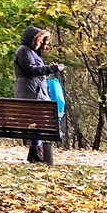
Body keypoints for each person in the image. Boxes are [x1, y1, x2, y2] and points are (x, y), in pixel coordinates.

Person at [14, 26, 64, 162]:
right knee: (40, 123)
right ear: (34, 40)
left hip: (34, 92)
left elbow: (35, 69)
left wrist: (48, 68)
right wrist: (52, 68)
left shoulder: (30, 52)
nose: (43, 45)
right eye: (41, 41)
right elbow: (31, 70)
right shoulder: (24, 51)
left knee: (38, 123)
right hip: (31, 93)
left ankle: (35, 153)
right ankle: (36, 152)